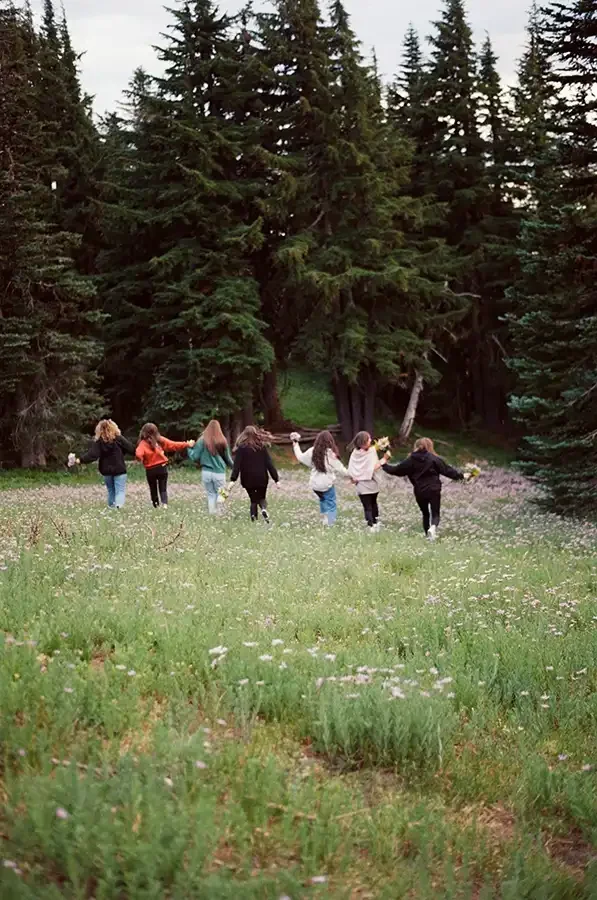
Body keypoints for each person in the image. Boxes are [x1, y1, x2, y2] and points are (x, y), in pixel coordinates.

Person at [383, 437, 463, 540]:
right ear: (430, 446)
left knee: (425, 513)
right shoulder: (434, 459)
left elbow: (397, 470)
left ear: (415, 447)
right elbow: (448, 471)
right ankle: (433, 528)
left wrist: (384, 465)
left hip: (419, 490)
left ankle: (427, 535)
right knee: (435, 513)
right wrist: (462, 476)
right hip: (434, 489)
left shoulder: (411, 459)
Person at [69, 419, 134, 509]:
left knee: (111, 491)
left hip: (106, 470)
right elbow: (131, 448)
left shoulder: (99, 442)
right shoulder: (119, 439)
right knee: (120, 491)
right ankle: (118, 507)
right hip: (119, 469)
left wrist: (80, 460)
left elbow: (92, 455)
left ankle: (111, 507)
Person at [291, 430, 351, 526]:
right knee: (331, 502)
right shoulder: (330, 454)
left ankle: (325, 519)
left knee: (323, 499)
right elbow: (341, 469)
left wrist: (295, 444)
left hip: (315, 484)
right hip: (327, 483)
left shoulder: (312, 451)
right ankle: (330, 523)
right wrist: (352, 475)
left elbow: (300, 457)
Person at [136, 423, 194, 509]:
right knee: (163, 486)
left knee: (153, 488)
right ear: (156, 431)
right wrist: (187, 444)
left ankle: (156, 505)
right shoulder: (159, 440)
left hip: (150, 470)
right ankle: (165, 504)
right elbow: (173, 445)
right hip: (162, 467)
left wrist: (140, 458)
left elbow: (138, 454)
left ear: (143, 432)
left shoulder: (142, 443)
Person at [230, 426, 279, 522]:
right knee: (262, 497)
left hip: (248, 479)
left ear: (244, 435)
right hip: (262, 478)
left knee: (253, 500)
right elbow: (269, 464)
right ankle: (264, 509)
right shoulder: (261, 447)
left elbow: (237, 466)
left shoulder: (241, 449)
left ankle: (254, 518)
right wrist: (276, 479)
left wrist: (233, 479)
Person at [188, 419, 234, 514]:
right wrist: (236, 468)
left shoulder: (201, 440)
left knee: (211, 494)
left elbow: (194, 456)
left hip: (206, 472)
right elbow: (228, 459)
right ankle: (220, 514)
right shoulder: (222, 440)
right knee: (221, 494)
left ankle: (212, 514)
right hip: (219, 473)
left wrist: (188, 447)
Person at [348, 431, 391, 532]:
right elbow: (373, 468)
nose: (371, 440)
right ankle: (374, 524)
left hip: (361, 485)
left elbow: (351, 469)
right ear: (364, 442)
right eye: (369, 439)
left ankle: (370, 526)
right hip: (371, 483)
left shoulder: (355, 453)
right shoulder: (370, 452)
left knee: (367, 507)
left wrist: (354, 477)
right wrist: (384, 459)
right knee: (373, 504)